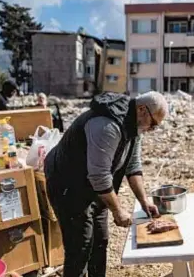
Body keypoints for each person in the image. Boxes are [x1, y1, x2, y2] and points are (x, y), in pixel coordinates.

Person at [44, 91, 168, 277]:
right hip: (67, 185)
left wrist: (144, 202)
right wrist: (118, 210)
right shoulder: (107, 125)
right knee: (80, 248)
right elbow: (100, 176)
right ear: (142, 110)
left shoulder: (135, 126)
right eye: (154, 124)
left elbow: (132, 166)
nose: (152, 129)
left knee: (100, 241)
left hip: (95, 186)